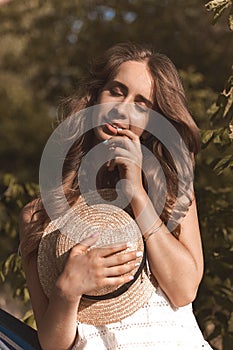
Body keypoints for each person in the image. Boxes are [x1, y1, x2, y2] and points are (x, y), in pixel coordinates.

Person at [19, 42, 213, 349]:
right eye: (116, 90)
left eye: (141, 104)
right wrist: (68, 290)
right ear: (96, 97)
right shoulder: (39, 215)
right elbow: (53, 344)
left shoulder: (172, 188)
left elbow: (184, 289)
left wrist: (136, 192)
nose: (122, 108)